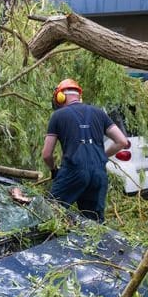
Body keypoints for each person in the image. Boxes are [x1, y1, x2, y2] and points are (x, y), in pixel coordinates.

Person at [42, 78, 129, 222]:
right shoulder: (99, 113)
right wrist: (101, 156)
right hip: (98, 174)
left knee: (51, 211)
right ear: (79, 95)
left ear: (60, 96)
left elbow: (46, 155)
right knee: (94, 223)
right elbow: (122, 141)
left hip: (73, 171)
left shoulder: (57, 116)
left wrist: (53, 170)